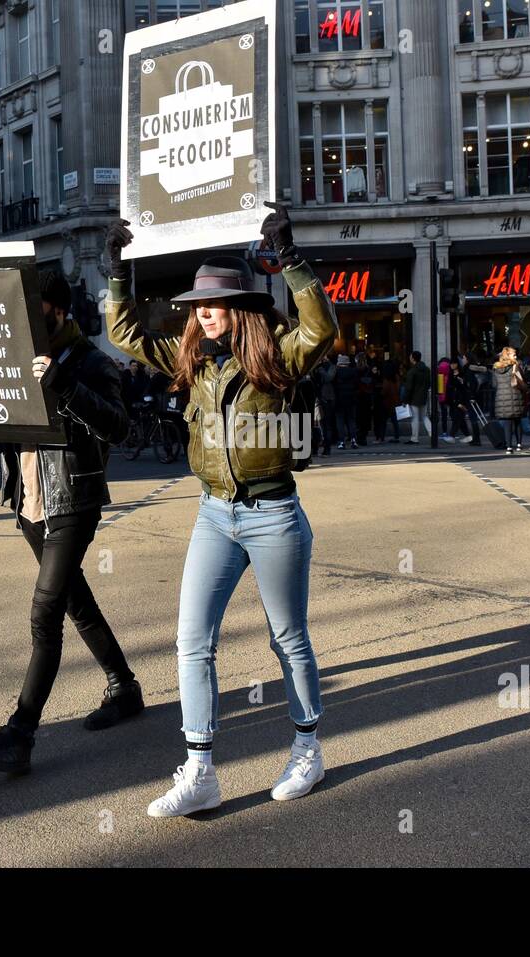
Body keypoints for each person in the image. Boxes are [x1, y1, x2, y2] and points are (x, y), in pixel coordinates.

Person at [106, 202, 338, 816]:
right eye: (194, 305)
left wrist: (290, 260)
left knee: (288, 639)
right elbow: (125, 332)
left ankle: (308, 750)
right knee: (191, 639)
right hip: (214, 514)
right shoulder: (193, 361)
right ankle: (200, 767)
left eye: (211, 303)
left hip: (273, 515)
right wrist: (115, 270)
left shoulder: (278, 358)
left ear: (239, 308)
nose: (199, 313)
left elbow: (321, 329)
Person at [0, 270, 141, 774]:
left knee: (45, 616)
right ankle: (125, 687)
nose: (23, 322)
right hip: (28, 502)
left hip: (74, 500)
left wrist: (63, 383)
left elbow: (118, 428)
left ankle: (19, 734)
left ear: (59, 312)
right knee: (76, 603)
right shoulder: (10, 358)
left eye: (34, 311)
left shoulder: (91, 362)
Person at [492, 346, 528, 453]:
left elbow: (494, 384)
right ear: (508, 356)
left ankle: (508, 446)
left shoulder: (496, 369)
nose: (516, 356)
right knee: (517, 420)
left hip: (502, 398)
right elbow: (522, 380)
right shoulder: (515, 366)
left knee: (507, 423)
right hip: (516, 396)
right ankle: (519, 444)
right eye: (514, 355)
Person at [402, 351, 431, 444]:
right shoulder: (427, 369)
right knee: (425, 416)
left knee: (414, 418)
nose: (409, 358)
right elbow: (429, 383)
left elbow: (409, 387)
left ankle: (414, 438)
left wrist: (405, 400)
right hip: (424, 396)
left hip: (414, 397)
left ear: (413, 358)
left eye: (410, 356)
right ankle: (432, 433)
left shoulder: (412, 371)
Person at [331, 353, 358, 449]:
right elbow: (357, 384)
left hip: (339, 399)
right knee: (351, 420)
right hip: (351, 398)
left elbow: (332, 384)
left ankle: (342, 441)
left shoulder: (336, 372)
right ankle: (353, 440)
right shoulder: (353, 371)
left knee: (340, 421)